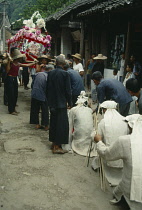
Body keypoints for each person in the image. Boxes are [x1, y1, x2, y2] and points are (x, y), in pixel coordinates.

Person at [94, 114, 142, 210]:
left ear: (130, 126)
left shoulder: (126, 141)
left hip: (133, 194)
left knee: (119, 191)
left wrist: (99, 141)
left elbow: (106, 154)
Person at [92, 101, 129, 186]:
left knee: (99, 141)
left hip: (108, 158)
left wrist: (94, 134)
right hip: (123, 161)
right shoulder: (125, 121)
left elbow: (96, 139)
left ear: (105, 110)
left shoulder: (103, 122)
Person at [47, 55, 72, 154]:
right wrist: (70, 102)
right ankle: (57, 146)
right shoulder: (65, 74)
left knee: (53, 123)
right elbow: (68, 91)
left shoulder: (51, 73)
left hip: (52, 102)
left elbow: (48, 89)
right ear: (63, 64)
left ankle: (53, 143)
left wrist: (49, 102)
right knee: (61, 125)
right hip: (61, 103)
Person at [5, 49, 37, 115]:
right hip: (10, 79)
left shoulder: (18, 64)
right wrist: (8, 62)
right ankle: (11, 110)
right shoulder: (11, 63)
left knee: (15, 94)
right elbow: (7, 71)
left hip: (14, 79)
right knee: (11, 95)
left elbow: (27, 65)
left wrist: (34, 63)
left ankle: (13, 108)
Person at [68, 91, 96, 156]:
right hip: (90, 140)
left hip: (79, 138)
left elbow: (70, 127)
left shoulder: (73, 110)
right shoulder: (90, 110)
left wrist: (68, 143)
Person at [30, 64, 54, 130]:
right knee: (45, 110)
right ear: (50, 70)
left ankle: (37, 124)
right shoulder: (47, 76)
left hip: (34, 94)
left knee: (35, 110)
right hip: (42, 95)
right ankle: (46, 125)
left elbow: (32, 84)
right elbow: (48, 88)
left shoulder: (38, 74)